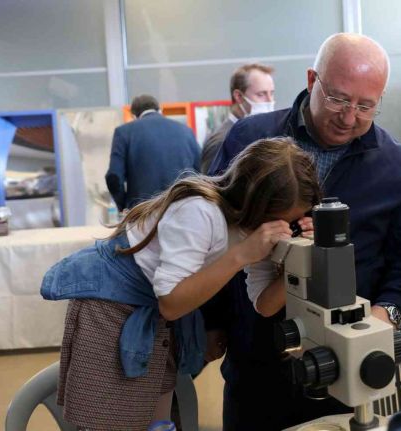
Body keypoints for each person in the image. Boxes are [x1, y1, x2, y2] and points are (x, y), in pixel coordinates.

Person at [205, 33, 401, 430]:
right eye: (339, 99)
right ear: (313, 80)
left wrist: (381, 321)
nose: (349, 117)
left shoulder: (397, 166)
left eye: (366, 106)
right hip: (258, 355)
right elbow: (211, 237)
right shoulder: (248, 140)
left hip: (347, 366)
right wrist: (210, 324)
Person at [41, 138, 320, 430]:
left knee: (158, 417)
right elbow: (172, 304)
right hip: (111, 307)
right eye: (279, 221)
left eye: (293, 222)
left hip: (155, 309)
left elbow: (264, 304)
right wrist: (242, 254)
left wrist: (299, 261)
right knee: (114, 417)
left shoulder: (254, 226)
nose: (282, 230)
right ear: (252, 205)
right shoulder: (200, 211)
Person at [105, 94, 200, 211]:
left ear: (134, 116)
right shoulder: (186, 131)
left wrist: (124, 205)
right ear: (160, 110)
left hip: (144, 212)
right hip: (183, 208)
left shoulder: (124, 132)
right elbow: (200, 171)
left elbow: (114, 177)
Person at [200, 64, 275, 173]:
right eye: (261, 94)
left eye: (272, 93)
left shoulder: (264, 134)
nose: (269, 100)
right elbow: (209, 187)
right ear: (239, 96)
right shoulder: (221, 141)